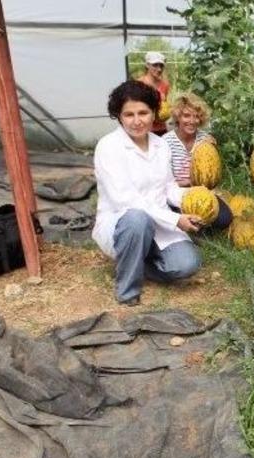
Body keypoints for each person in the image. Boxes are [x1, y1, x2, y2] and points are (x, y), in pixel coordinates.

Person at [92, 80, 202, 306]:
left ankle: (137, 262)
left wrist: (193, 198)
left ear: (153, 113)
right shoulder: (109, 147)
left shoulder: (161, 146)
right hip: (124, 225)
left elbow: (169, 186)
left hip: (159, 223)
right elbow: (126, 201)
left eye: (143, 112)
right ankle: (127, 291)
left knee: (187, 265)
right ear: (119, 116)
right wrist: (175, 219)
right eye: (129, 114)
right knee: (136, 218)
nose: (137, 120)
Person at [162, 92, 233, 230]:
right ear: (178, 117)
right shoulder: (165, 142)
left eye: (196, 116)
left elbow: (211, 178)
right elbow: (165, 181)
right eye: (187, 116)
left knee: (225, 218)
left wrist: (212, 151)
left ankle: (196, 224)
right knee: (172, 216)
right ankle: (188, 226)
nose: (192, 121)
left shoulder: (205, 140)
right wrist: (187, 184)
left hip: (202, 192)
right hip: (175, 193)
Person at [137, 51, 170, 136]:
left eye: (161, 66)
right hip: (144, 128)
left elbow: (164, 105)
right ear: (147, 65)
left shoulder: (165, 84)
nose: (159, 69)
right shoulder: (139, 84)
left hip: (161, 129)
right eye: (155, 65)